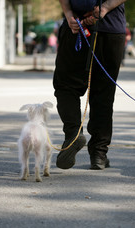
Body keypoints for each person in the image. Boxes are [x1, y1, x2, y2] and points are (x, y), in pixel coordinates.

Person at [53, 0, 126, 170]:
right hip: (109, 28)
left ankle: (73, 134)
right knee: (103, 94)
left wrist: (69, 14)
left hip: (76, 27)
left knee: (66, 86)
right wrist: (106, 8)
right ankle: (98, 154)